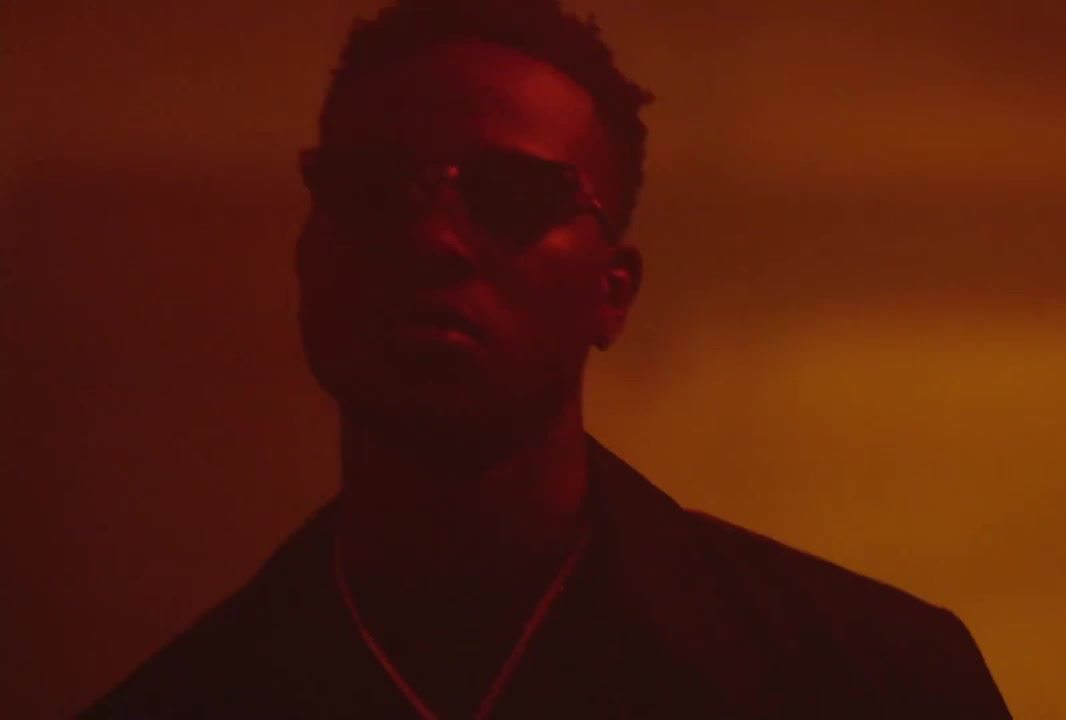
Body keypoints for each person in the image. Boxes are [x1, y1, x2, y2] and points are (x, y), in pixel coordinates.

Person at [79, 0, 1011, 717]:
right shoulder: (187, 699)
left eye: (516, 194)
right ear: (308, 255)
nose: (436, 239)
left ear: (614, 291)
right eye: (374, 189)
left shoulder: (874, 684)